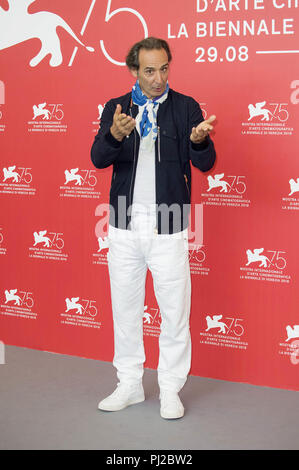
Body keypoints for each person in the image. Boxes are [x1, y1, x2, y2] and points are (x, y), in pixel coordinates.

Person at [91, 37, 216, 419]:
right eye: (149, 70)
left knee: (175, 311)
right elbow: (98, 158)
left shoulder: (186, 107)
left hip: (171, 224)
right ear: (133, 71)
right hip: (124, 223)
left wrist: (199, 140)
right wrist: (115, 134)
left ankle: (170, 389)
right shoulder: (117, 108)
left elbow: (207, 163)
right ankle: (128, 385)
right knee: (125, 310)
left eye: (164, 68)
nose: (158, 78)